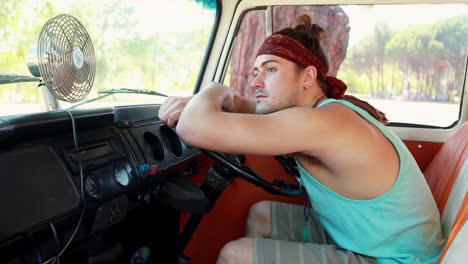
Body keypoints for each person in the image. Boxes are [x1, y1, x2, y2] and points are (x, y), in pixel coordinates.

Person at [158, 14, 443, 264]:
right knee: (261, 214)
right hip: (375, 239)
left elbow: (194, 127)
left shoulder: (320, 123)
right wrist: (200, 101)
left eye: (270, 69)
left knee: (236, 255)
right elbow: (238, 103)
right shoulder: (321, 111)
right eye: (255, 72)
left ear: (307, 77)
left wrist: (213, 88)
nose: (256, 82)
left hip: (395, 259)